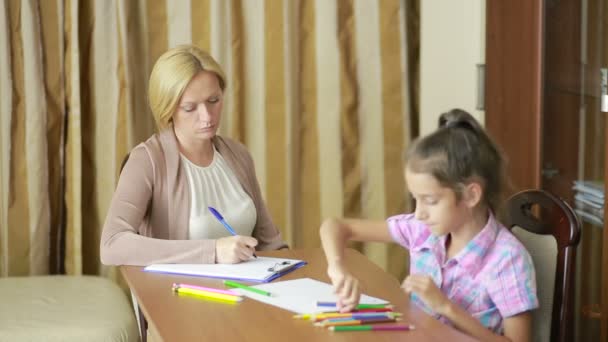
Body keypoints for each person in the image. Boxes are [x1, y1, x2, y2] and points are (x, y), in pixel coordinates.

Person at [319, 109, 538, 341]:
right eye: (416, 198)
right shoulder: (422, 230)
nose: (419, 213)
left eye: (430, 201)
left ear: (471, 195)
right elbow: (335, 226)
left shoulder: (507, 260)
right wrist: (338, 268)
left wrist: (446, 307)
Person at [100, 45, 286, 266]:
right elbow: (111, 245)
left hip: (249, 293)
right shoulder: (146, 161)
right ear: (168, 109)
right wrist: (213, 251)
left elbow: (271, 244)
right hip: (179, 296)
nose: (207, 116)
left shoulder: (238, 155)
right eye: (190, 108)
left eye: (214, 101)